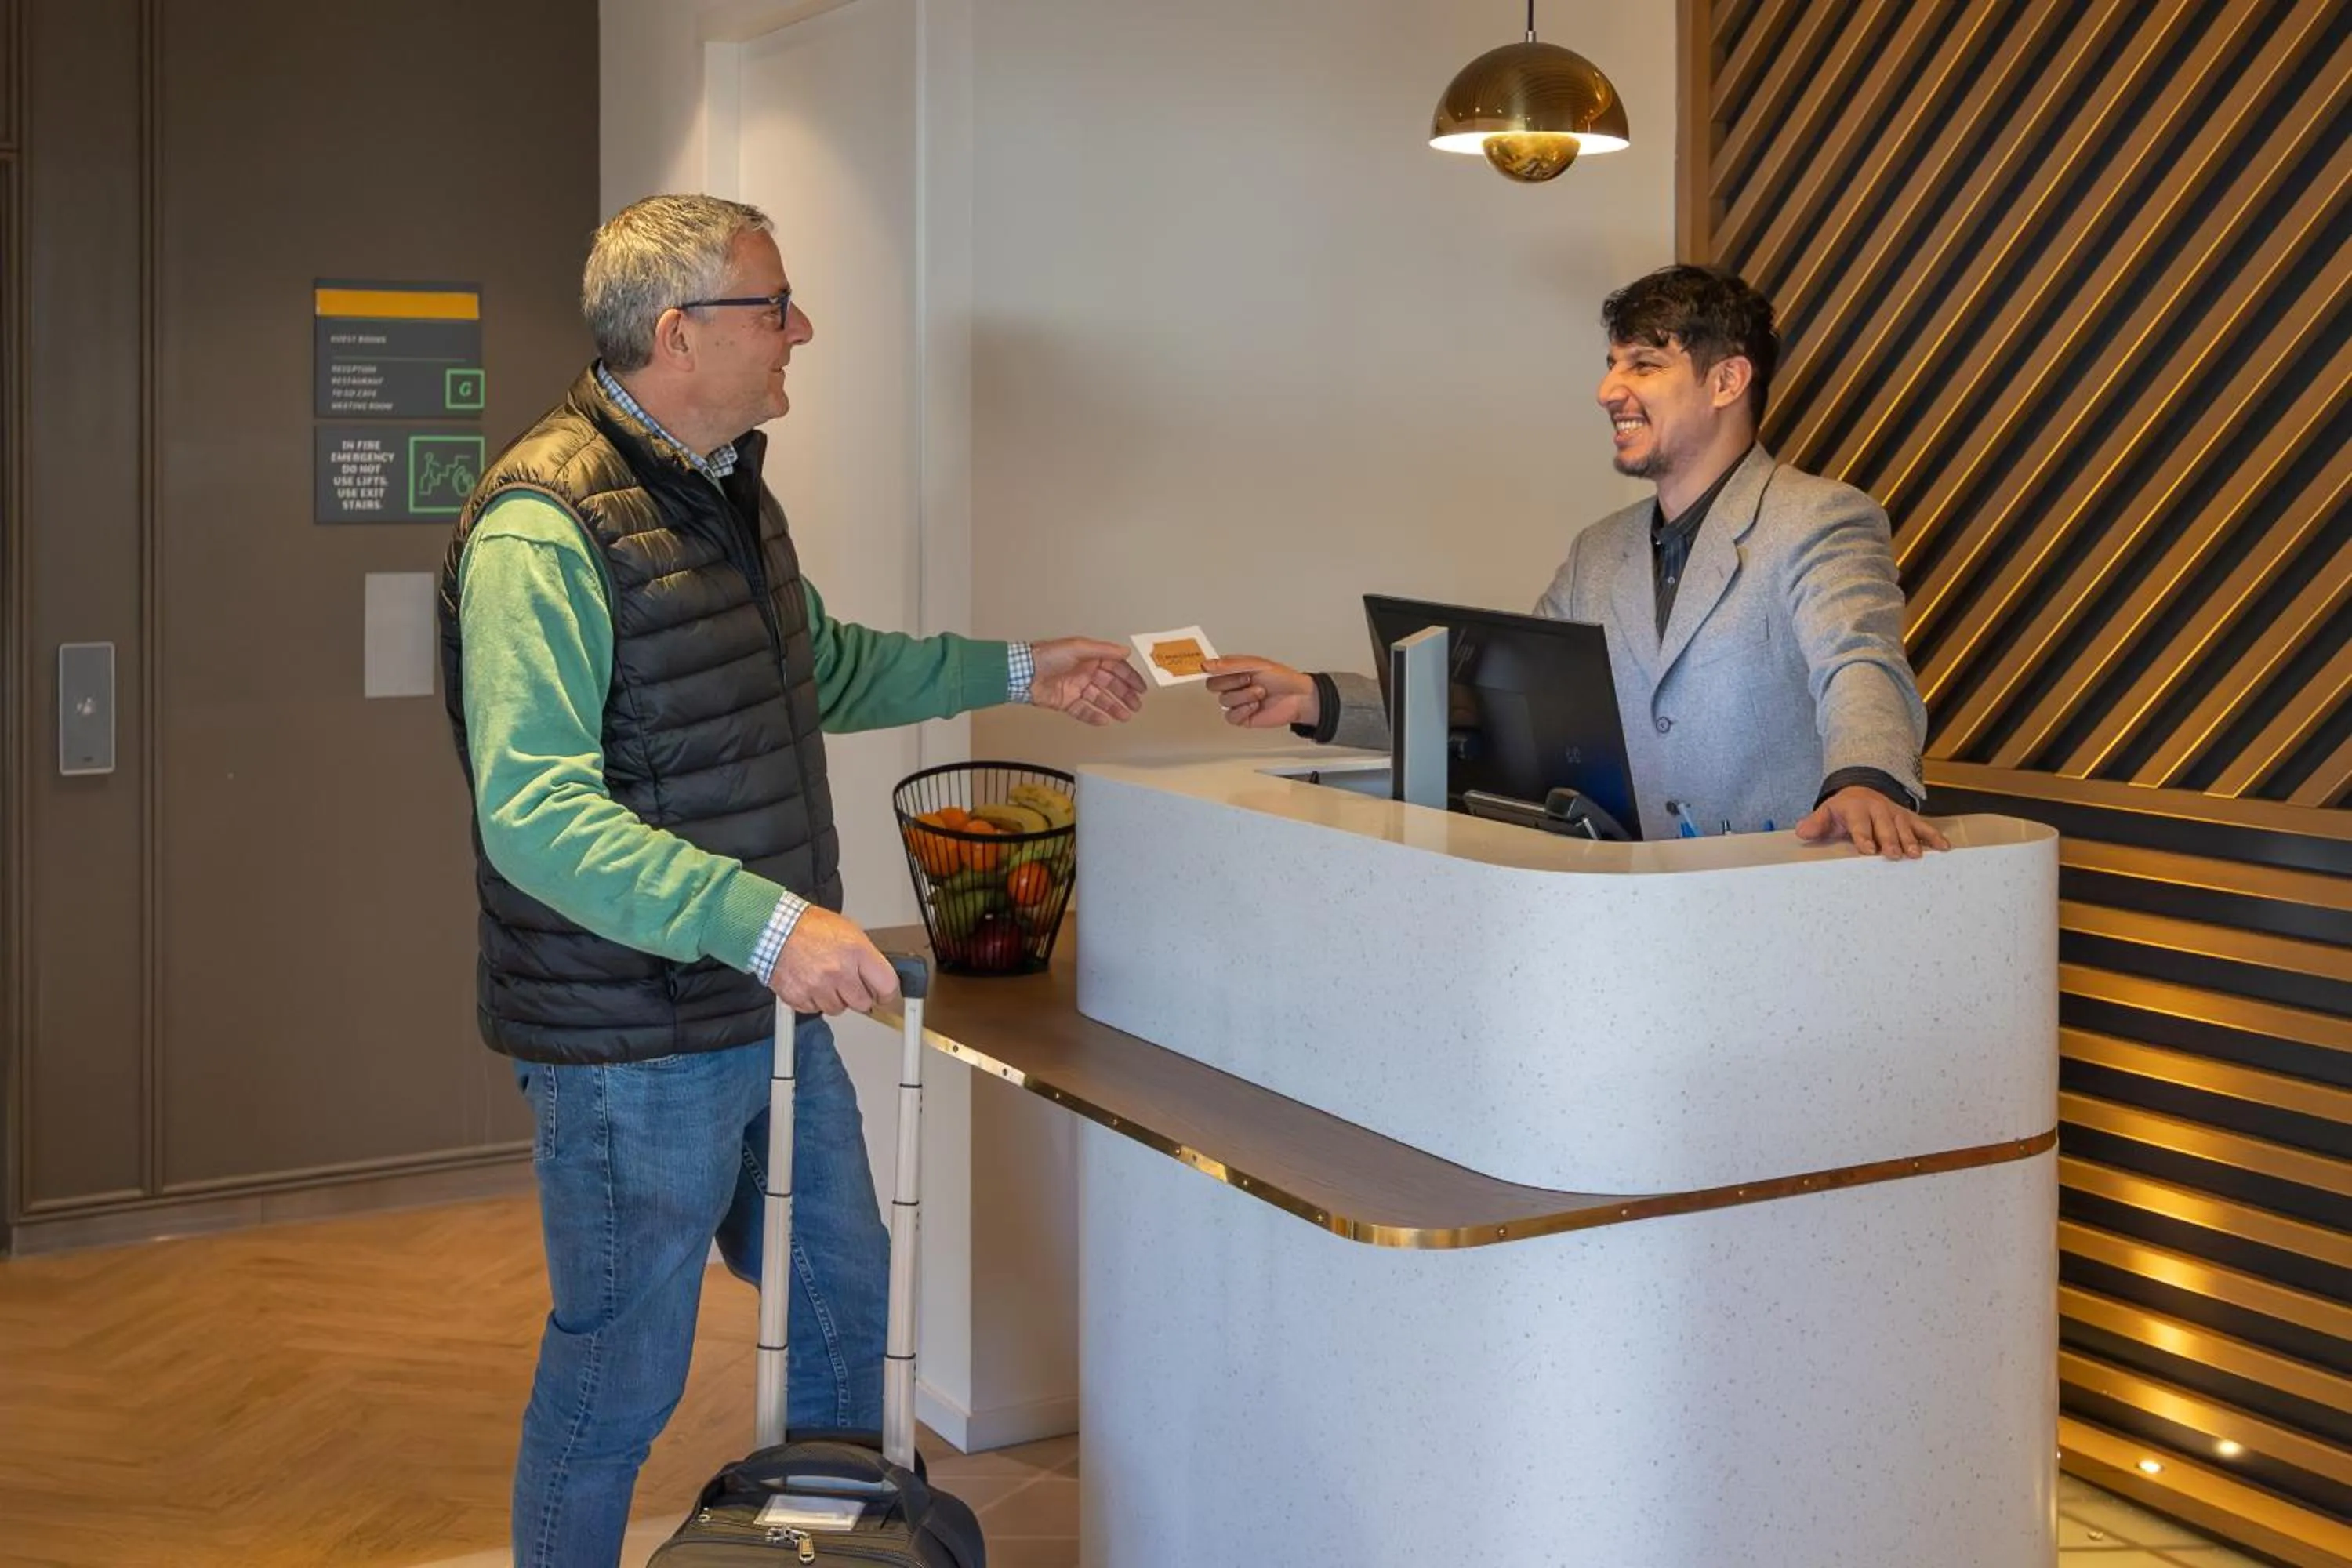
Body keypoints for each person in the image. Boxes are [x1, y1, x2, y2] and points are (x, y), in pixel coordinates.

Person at [434, 193, 1145, 1567]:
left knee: (840, 1323)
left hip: (760, 1011)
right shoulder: (542, 526)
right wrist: (768, 927)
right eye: (775, 307)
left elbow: (820, 667)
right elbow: (533, 814)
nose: (799, 330)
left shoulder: (722, 488)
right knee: (617, 1382)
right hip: (629, 1042)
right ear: (679, 332)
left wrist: (1019, 671)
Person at [1207, 263, 1946, 859]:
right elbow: (1500, 703)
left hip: (1766, 900)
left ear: (1727, 381)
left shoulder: (1821, 518)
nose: (1608, 391)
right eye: (1611, 364)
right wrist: (1317, 700)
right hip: (1620, 910)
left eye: (1645, 364)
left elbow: (1859, 663)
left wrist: (1865, 780)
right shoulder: (1599, 550)